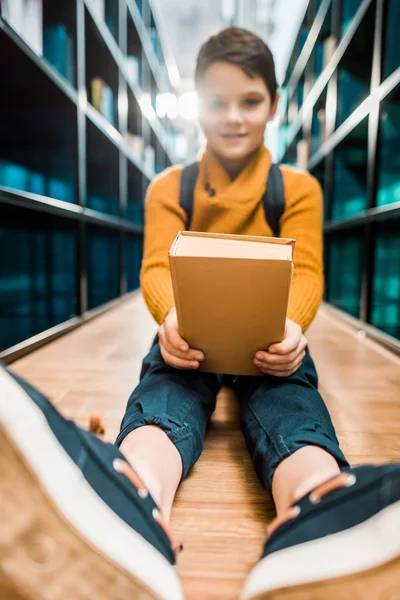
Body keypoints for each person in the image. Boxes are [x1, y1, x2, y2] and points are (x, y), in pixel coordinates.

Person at [1, 27, 399, 600]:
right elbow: (156, 267)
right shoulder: (171, 187)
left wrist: (291, 329)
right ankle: (135, 493)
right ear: (197, 106)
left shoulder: (298, 188)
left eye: (251, 101)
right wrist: (170, 319)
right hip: (187, 334)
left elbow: (307, 269)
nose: (233, 117)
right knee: (166, 389)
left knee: (289, 396)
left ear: (274, 105)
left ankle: (321, 501)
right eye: (217, 102)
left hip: (271, 338)